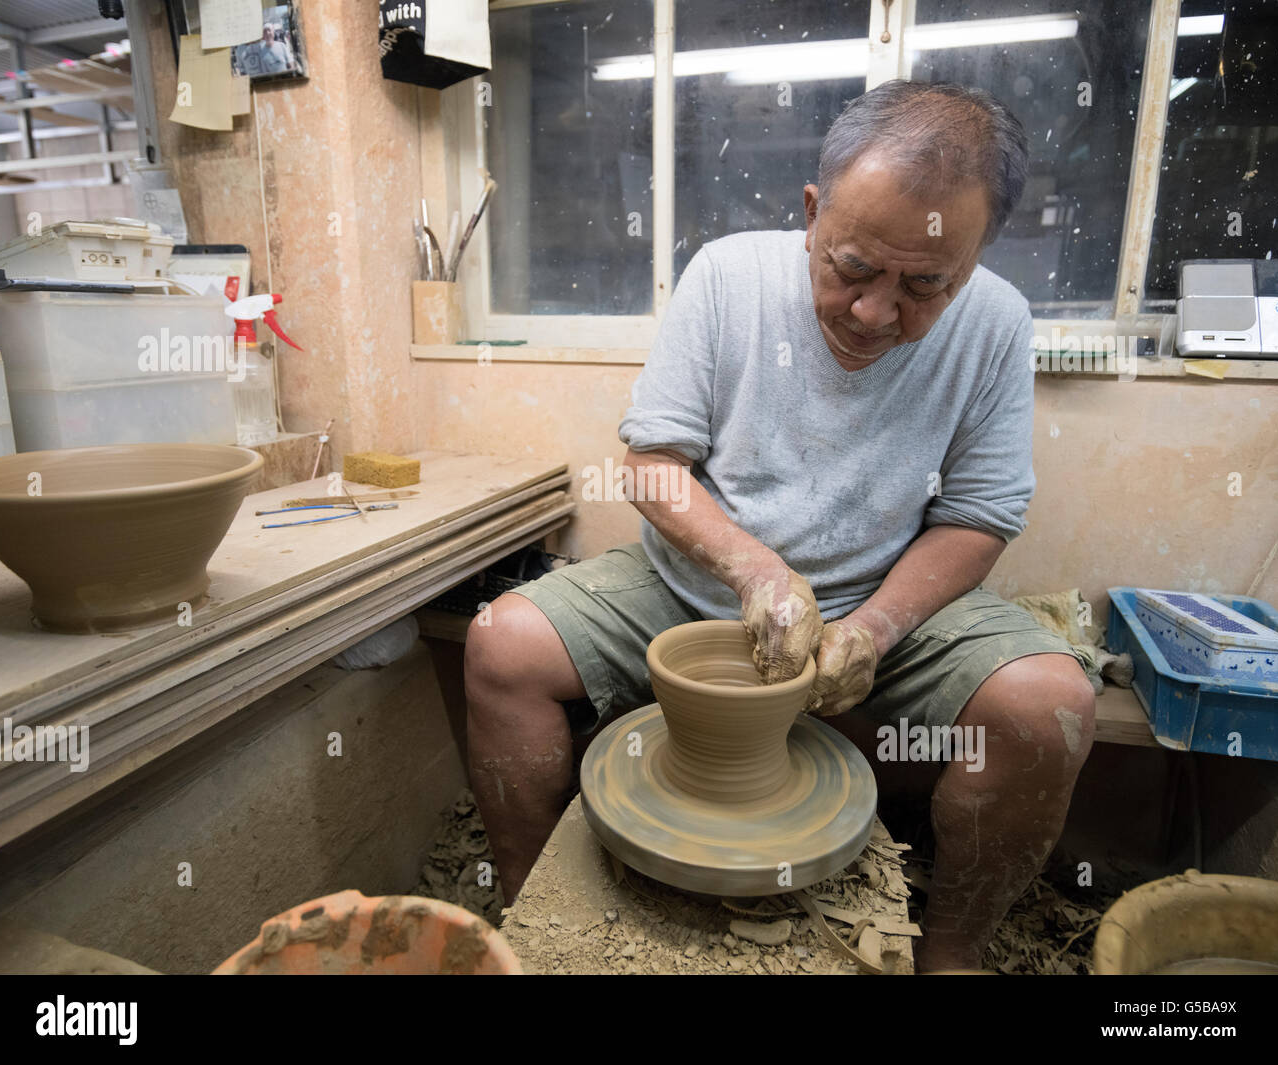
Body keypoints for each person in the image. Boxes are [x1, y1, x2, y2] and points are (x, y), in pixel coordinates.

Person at [464, 80, 1096, 973]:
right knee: (499, 643)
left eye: (925, 285)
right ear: (811, 211)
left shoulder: (996, 324)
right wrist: (757, 572)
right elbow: (651, 465)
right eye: (852, 268)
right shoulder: (726, 277)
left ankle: (951, 952)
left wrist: (875, 626)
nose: (877, 312)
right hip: (696, 588)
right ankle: (529, 922)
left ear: (977, 254)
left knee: (1052, 704)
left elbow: (979, 517)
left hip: (889, 605)